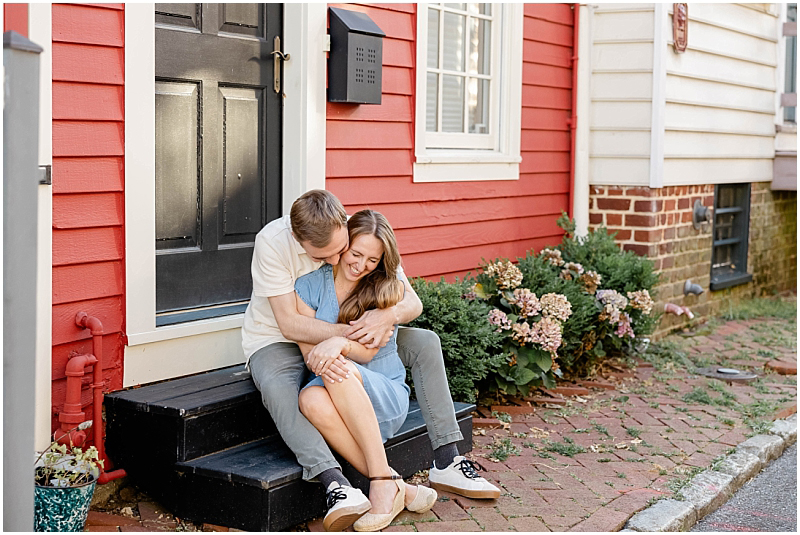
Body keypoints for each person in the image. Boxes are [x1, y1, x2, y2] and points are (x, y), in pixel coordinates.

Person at [242, 190, 499, 531]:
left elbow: (411, 302)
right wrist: (342, 339)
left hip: (353, 340)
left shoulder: (361, 235)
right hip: (277, 335)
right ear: (299, 240)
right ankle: (342, 482)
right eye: (329, 254)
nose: (339, 259)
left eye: (341, 248)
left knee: (424, 341)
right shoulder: (275, 245)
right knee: (287, 391)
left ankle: (448, 459)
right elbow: (290, 325)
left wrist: (386, 316)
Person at [295, 210, 437, 531]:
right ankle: (392, 482)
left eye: (372, 260)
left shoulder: (384, 288)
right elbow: (311, 356)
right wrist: (338, 346)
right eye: (356, 254)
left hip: (383, 394)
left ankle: (382, 485)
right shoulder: (308, 286)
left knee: (340, 368)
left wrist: (337, 345)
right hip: (333, 391)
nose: (361, 265)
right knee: (310, 400)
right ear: (342, 244)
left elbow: (367, 351)